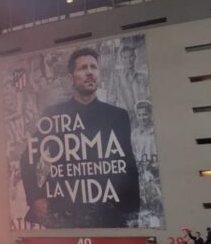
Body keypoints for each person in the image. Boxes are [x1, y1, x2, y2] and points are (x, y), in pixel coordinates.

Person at [20, 47, 141, 228]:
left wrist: (132, 208)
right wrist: (35, 198)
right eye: (83, 68)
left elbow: (127, 164)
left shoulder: (118, 116)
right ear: (71, 77)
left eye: (93, 67)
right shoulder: (53, 114)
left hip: (108, 212)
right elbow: (27, 158)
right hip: (64, 213)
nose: (90, 73)